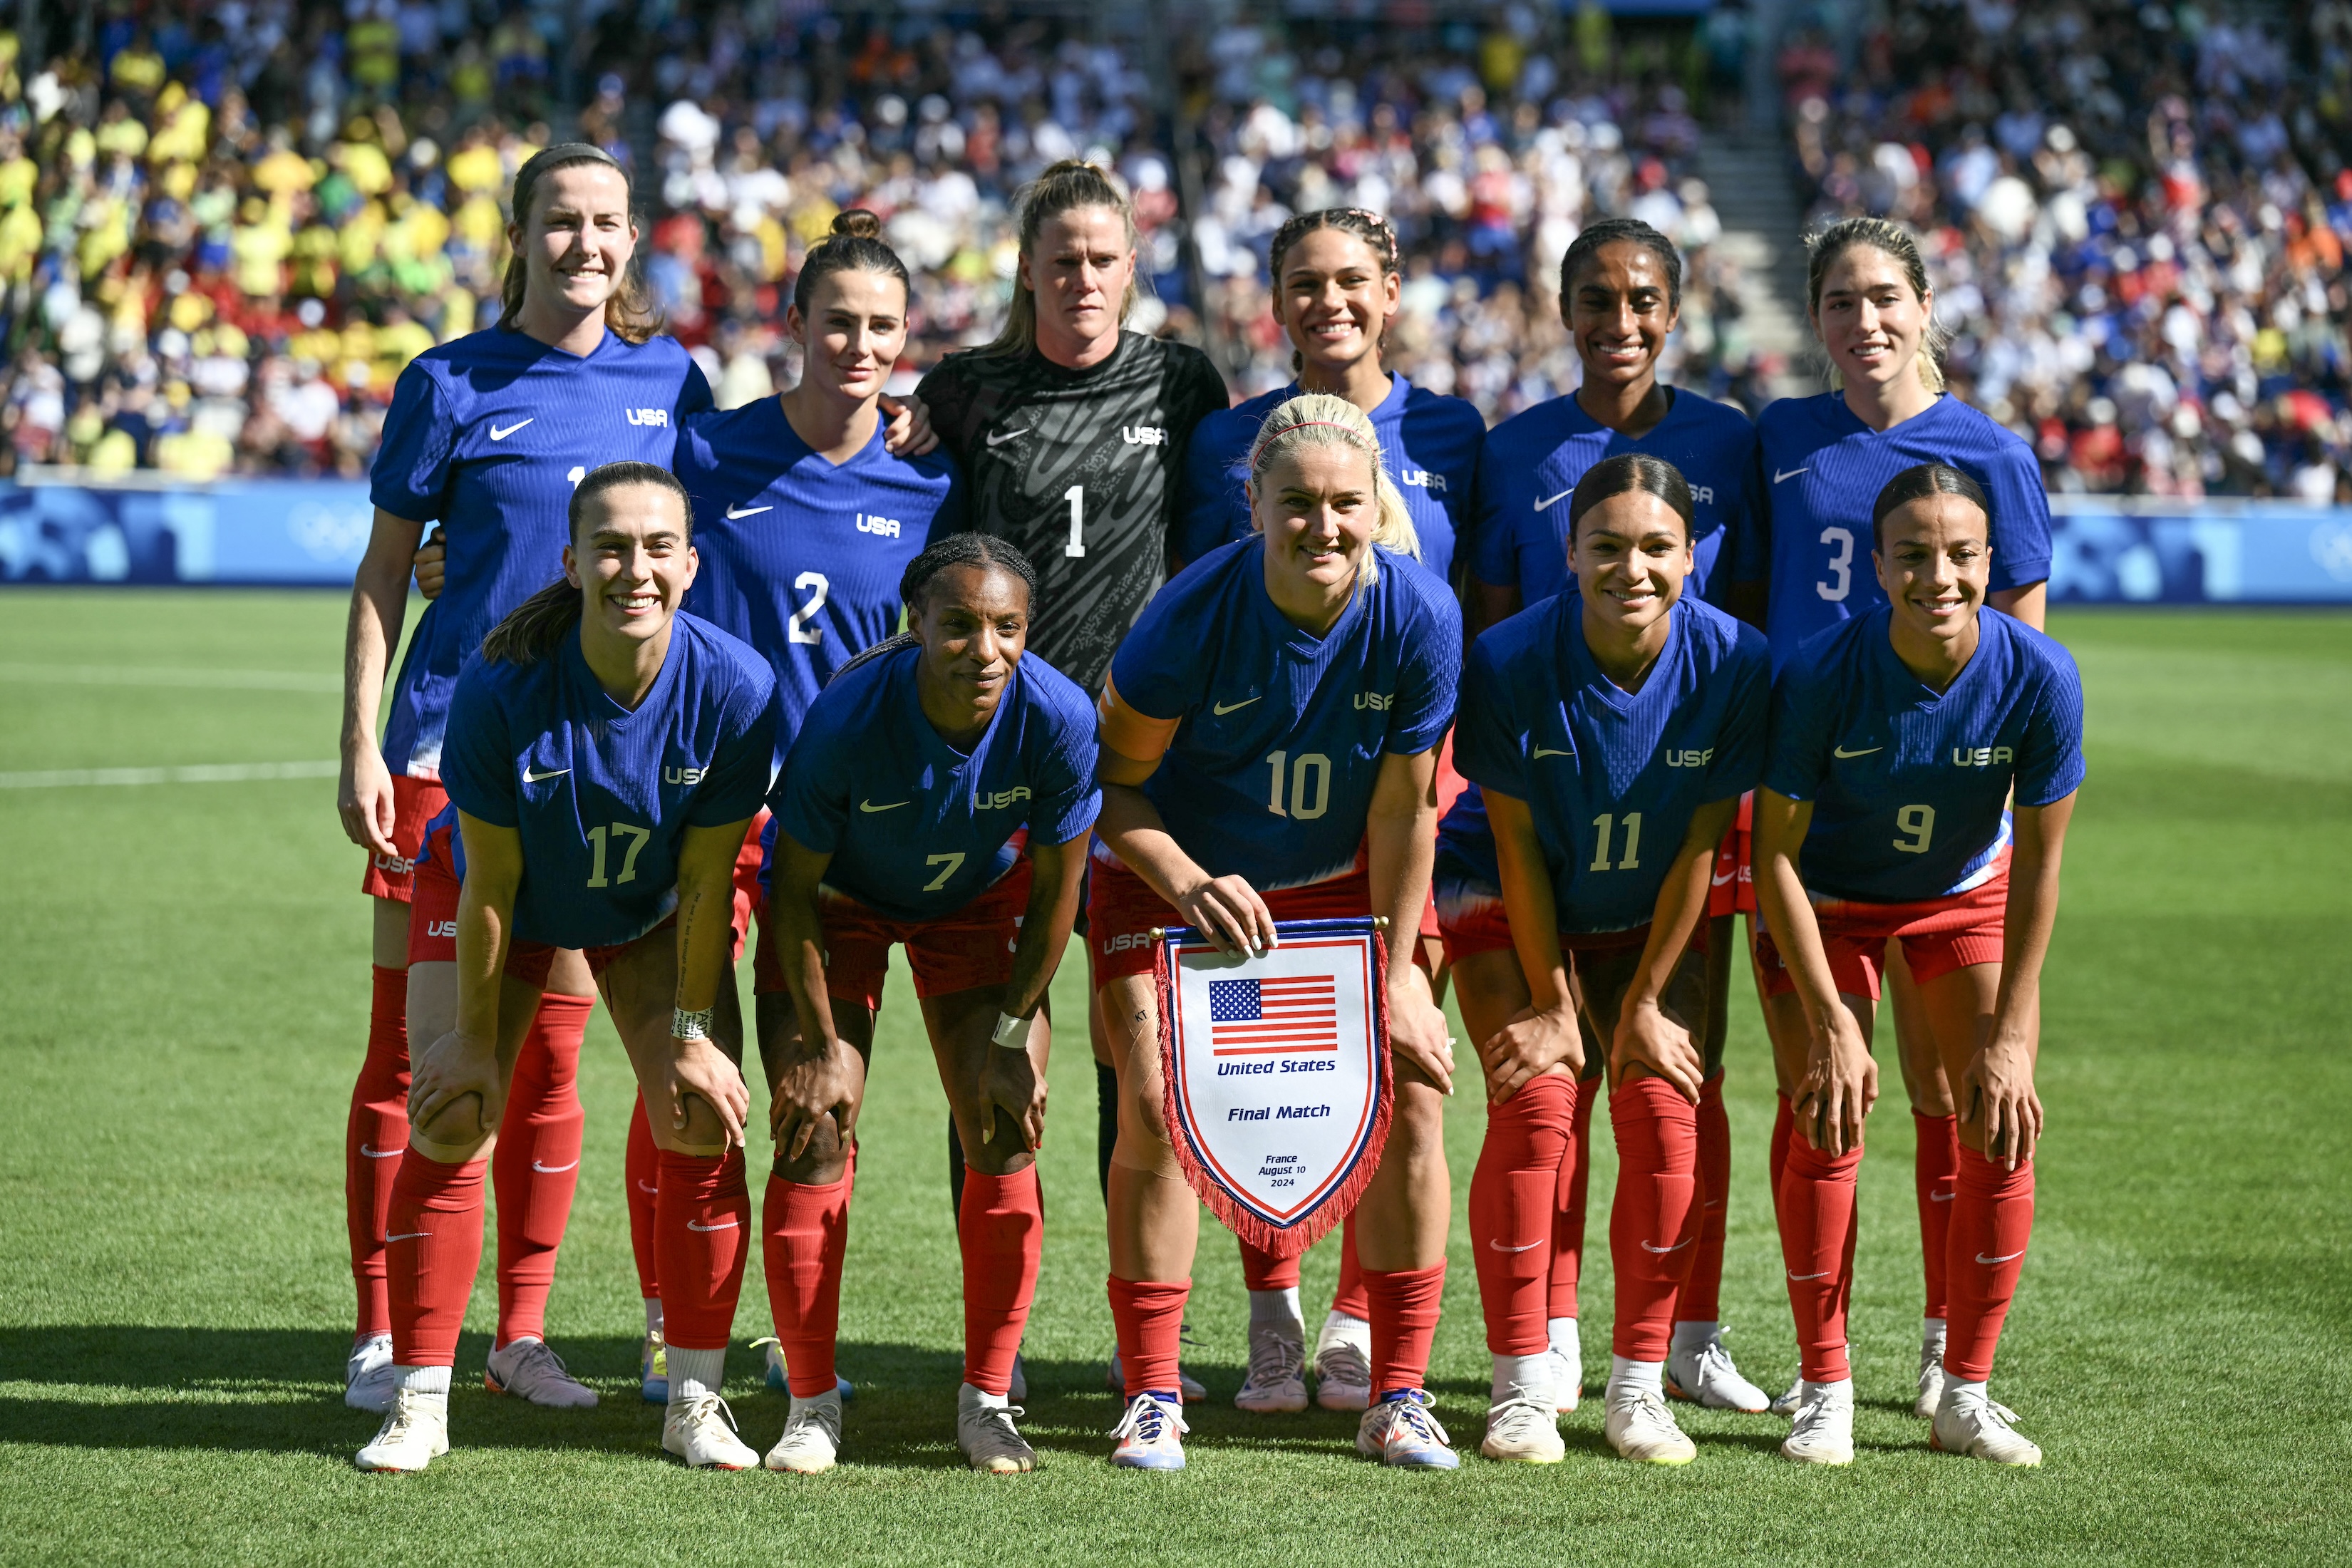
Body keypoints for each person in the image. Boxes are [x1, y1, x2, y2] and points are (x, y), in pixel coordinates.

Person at [336, 143, 708, 1415]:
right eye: (561, 222)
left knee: (551, 1057)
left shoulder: (676, 383)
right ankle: (385, 1333)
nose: (586, 245)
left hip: (595, 769)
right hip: (447, 752)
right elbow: (388, 573)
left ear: (632, 237)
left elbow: (710, 535)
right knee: (416, 1051)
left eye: (607, 223)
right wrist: (359, 744)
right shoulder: (447, 381)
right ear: (520, 233)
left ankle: (520, 1333)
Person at [354, 463, 782, 1473]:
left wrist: (687, 1040)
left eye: (656, 548)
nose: (636, 569)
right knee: (456, 1107)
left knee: (697, 1115)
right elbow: (492, 885)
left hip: (645, 914)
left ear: (692, 563)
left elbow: (710, 874)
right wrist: (467, 1040)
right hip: (503, 903)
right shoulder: (503, 685)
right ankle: (419, 1399)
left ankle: (696, 1402)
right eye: (612, 547)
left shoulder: (737, 686)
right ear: (573, 561)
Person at [1090, 393, 1461, 1470]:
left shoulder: (1419, 616)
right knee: (1157, 1106)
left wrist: (1395, 974)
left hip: (1341, 887)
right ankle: (1154, 1392)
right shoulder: (1190, 614)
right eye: (1297, 503)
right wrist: (1190, 879)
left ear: (1375, 503)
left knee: (1418, 1092)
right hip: (1174, 880)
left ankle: (1398, 1392)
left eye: (1347, 504)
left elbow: (1404, 811)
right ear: (1253, 504)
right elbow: (1110, 791)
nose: (1324, 526)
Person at [916, 159, 1230, 1397]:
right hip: (1005, 763)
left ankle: (1128, 1337)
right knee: (1002, 1040)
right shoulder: (967, 390)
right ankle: (997, 1338)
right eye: (1063, 259)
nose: (1084, 278)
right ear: (1027, 269)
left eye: (1105, 258)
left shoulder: (1183, 379)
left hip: (1142, 767)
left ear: (1131, 268)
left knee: (1129, 1057)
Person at [1453, 217, 1773, 1418]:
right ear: (1562, 306)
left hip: (1669, 794)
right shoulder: (1517, 449)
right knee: (1542, 1087)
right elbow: (1492, 611)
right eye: (1597, 297)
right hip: (1540, 792)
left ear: (1675, 310)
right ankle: (1545, 1348)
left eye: (1643, 298)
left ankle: (1684, 1339)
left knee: (1677, 1078)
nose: (1620, 320)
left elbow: (1732, 612)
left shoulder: (1729, 444)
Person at [1735, 216, 2053, 1421]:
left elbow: (2016, 643)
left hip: (1944, 824)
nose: (1863, 323)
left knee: (1948, 1091)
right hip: (1805, 817)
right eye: (1838, 303)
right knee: (1825, 1089)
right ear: (1814, 318)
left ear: (1926, 304)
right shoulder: (1784, 441)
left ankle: (1942, 1351)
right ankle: (1825, 1377)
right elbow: (1753, 607)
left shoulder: (1993, 454)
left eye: (1884, 298)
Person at [1173, 205, 1486, 1416]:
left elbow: (1486, 611)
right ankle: (1270, 1314)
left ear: (1393, 288)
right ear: (1277, 301)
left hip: (1413, 794)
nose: (1329, 303)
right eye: (1304, 284)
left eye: (1352, 280)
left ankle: (1356, 1321)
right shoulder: (1226, 444)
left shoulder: (1456, 431)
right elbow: (1205, 602)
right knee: (1271, 1062)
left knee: (1387, 1068)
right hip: (1258, 795)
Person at [668, 209, 961, 1401]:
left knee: (804, 1107)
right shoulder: (708, 452)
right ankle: (680, 1345)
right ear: (793, 324)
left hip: (842, 843)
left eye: (882, 327)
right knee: (698, 1086)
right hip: (713, 824)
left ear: (907, 340)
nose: (859, 344)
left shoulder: (931, 481)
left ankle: (789, 1359)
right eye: (836, 320)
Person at [1752, 462, 2080, 1468]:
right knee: (1827, 1102)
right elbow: (1770, 857)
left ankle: (1964, 1389)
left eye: (1961, 555)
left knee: (1998, 1114)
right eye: (1914, 555)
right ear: (1877, 567)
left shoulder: (2040, 675)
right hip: (1824, 903)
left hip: (1958, 898)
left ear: (1992, 561)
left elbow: (2040, 866)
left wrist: (2014, 1035)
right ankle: (1826, 1387)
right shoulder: (1818, 673)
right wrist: (1832, 1017)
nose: (1939, 574)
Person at [755, 534, 1097, 1475]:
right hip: (837, 911)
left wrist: (1013, 1033)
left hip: (975, 906)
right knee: (813, 1125)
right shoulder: (850, 716)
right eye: (958, 625)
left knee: (1004, 1121)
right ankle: (812, 1404)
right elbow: (790, 893)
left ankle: (987, 1401)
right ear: (917, 626)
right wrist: (822, 1044)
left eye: (1005, 628)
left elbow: (1058, 892)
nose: (982, 650)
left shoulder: (1061, 717)